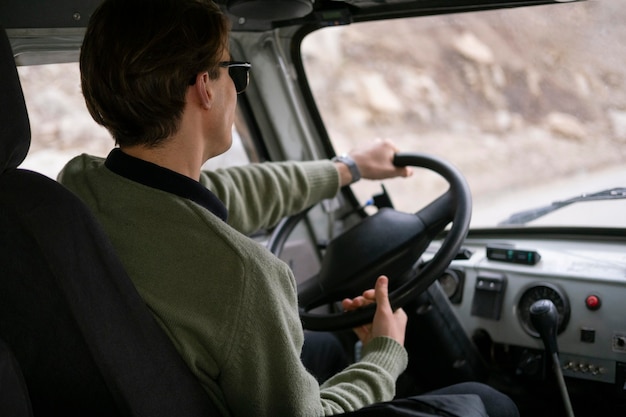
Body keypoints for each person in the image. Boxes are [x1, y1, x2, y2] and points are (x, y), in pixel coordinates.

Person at [58, 0, 519, 416]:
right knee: (490, 403)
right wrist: (383, 354)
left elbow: (232, 191)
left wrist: (348, 169)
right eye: (233, 72)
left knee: (326, 349)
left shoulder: (81, 186)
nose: (237, 89)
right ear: (205, 88)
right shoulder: (243, 276)